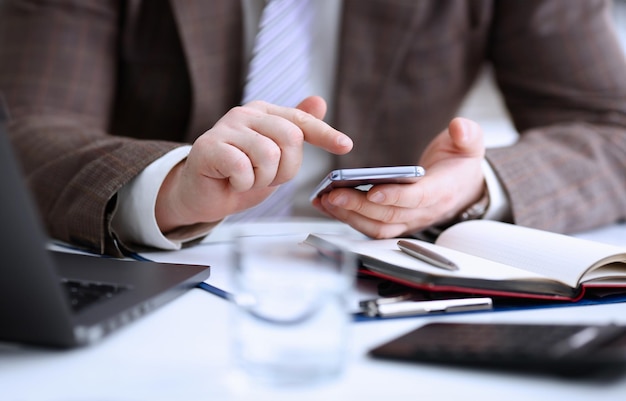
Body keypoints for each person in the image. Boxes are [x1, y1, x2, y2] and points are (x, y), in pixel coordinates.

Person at [1, 0, 625, 258]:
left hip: (386, 279)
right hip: (149, 265)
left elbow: (614, 125)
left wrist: (476, 189)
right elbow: (23, 123)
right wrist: (165, 186)